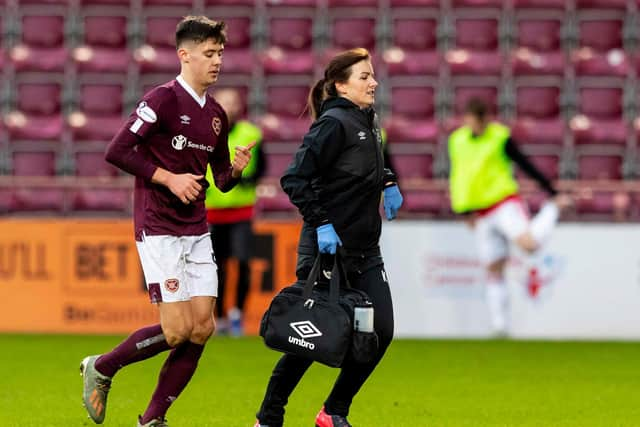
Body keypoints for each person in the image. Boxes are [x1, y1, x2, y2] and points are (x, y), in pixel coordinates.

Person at [80, 16, 254, 427]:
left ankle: (152, 418)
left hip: (196, 229)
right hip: (157, 224)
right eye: (209, 54)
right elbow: (117, 150)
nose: (217, 62)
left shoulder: (215, 115)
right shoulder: (161, 100)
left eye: (221, 54)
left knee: (202, 328)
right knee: (176, 332)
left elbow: (222, 181)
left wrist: (237, 169)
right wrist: (168, 177)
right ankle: (103, 366)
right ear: (185, 54)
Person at [254, 47, 403, 427]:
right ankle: (268, 418)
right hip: (327, 250)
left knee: (379, 332)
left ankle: (333, 411)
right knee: (310, 338)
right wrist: (320, 223)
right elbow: (294, 178)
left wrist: (387, 180)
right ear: (340, 86)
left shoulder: (368, 120)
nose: (374, 82)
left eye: (372, 75)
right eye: (365, 77)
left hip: (365, 250)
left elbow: (369, 161)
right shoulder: (333, 123)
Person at [448, 98, 570, 337]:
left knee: (529, 245)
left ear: (485, 119)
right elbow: (460, 176)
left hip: (502, 203)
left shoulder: (499, 138)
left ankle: (553, 207)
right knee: (494, 267)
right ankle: (500, 327)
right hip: (480, 212)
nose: (475, 125)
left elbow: (525, 165)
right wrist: (463, 211)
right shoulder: (457, 140)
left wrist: (552, 191)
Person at [205, 87, 265, 336]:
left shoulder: (252, 133)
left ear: (240, 106)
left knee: (242, 263)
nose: (228, 106)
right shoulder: (205, 132)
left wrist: (250, 180)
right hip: (211, 211)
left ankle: (237, 314)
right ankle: (218, 318)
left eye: (232, 101)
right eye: (224, 102)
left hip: (241, 211)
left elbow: (263, 166)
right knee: (215, 268)